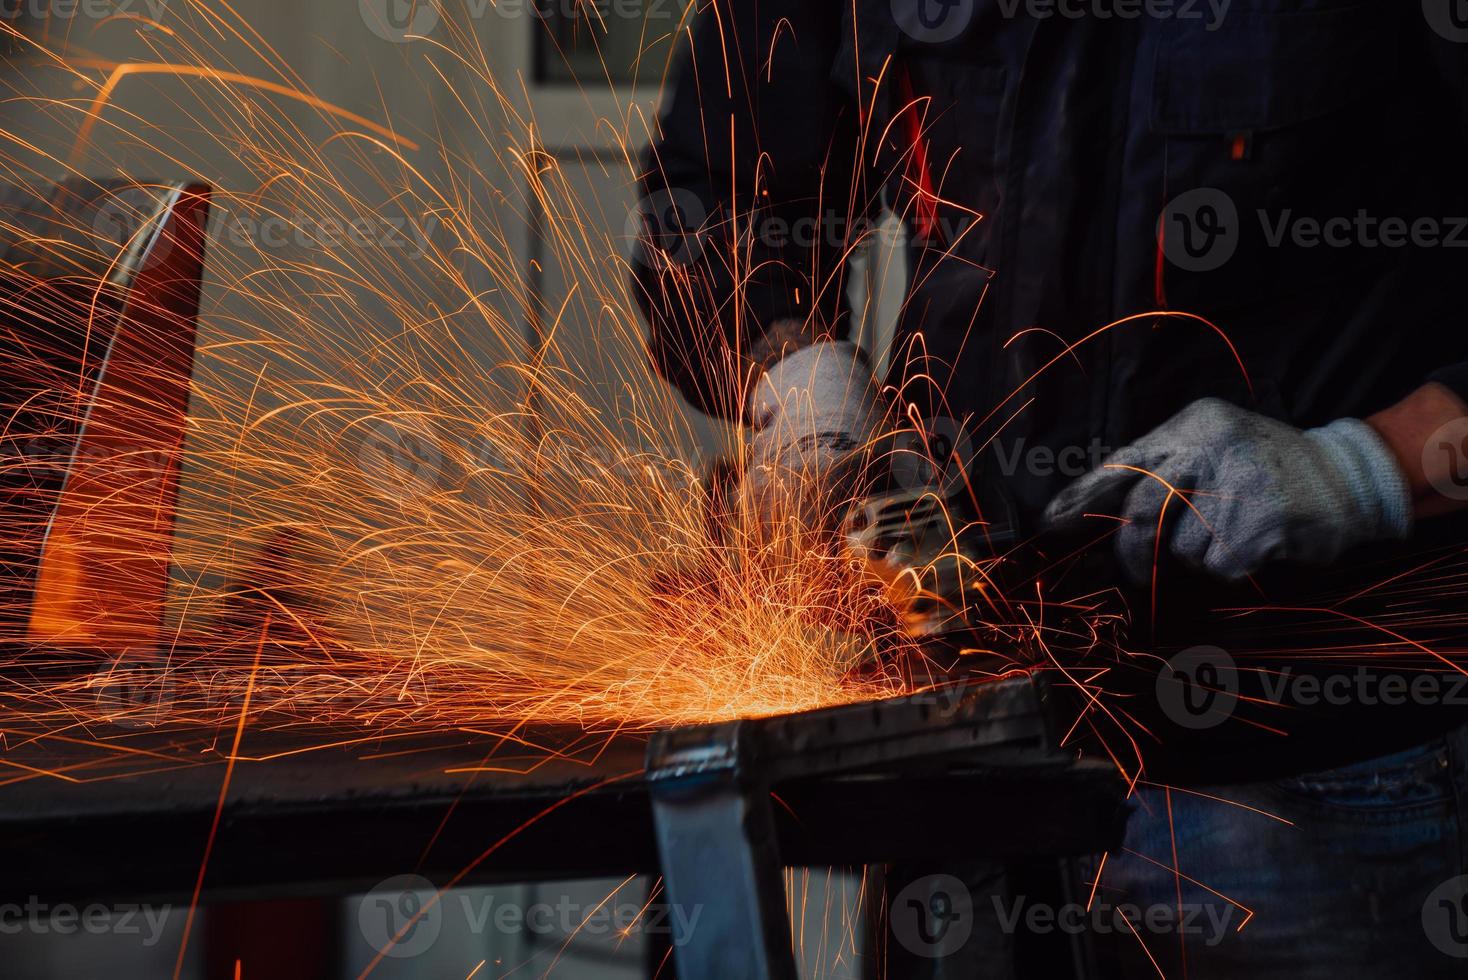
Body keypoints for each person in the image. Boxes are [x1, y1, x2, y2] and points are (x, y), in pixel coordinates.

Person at [632, 1, 1468, 976]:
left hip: (1314, 762)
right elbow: (710, 195)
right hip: (966, 746)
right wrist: (793, 374)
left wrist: (1370, 466)